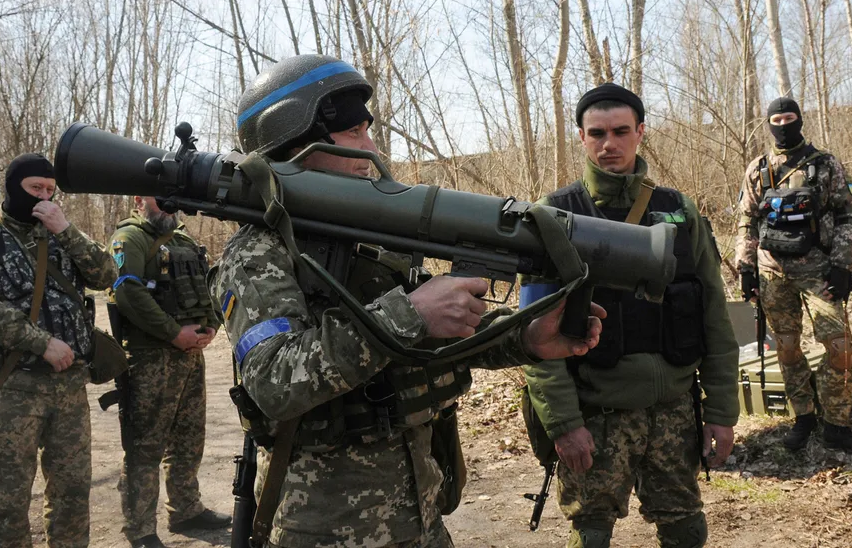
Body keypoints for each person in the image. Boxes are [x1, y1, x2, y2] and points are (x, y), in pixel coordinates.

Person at [212, 54, 606, 548]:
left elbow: (432, 338)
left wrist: (525, 337)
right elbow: (274, 379)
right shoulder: (258, 251)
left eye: (368, 131)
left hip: (420, 513)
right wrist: (411, 312)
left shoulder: (366, 234)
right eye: (353, 132)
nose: (371, 147)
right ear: (294, 144)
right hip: (325, 529)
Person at [520, 84, 739, 548]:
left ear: (640, 132)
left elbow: (715, 316)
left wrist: (721, 411)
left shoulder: (678, 210)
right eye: (597, 133)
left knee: (686, 529)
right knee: (592, 535)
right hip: (597, 412)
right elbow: (534, 336)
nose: (609, 144)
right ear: (581, 137)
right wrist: (564, 423)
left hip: (675, 410)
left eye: (621, 131)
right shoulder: (553, 215)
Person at [0, 153, 117, 548]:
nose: (43, 197)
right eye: (35, 188)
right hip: (13, 388)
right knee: (8, 501)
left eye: (49, 190)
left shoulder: (60, 234)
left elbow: (107, 275)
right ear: (14, 187)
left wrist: (67, 230)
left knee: (72, 493)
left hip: (69, 387)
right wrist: (41, 342)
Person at [735, 97, 852, 456]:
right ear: (769, 124)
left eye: (789, 118)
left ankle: (836, 425)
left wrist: (843, 266)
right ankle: (804, 416)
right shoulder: (758, 168)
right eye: (776, 120)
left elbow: (849, 215)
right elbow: (747, 220)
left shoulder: (825, 164)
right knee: (787, 347)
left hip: (820, 271)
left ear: (800, 120)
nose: (783, 125)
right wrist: (746, 268)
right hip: (773, 273)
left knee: (841, 347)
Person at [109, 196, 231, 548]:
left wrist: (211, 325)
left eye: (168, 198)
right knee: (145, 446)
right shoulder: (129, 238)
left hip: (191, 355)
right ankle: (140, 529)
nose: (166, 205)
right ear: (139, 200)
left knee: (189, 438)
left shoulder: (184, 239)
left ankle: (186, 510)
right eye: (156, 198)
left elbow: (207, 286)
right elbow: (127, 292)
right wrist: (174, 333)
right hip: (150, 359)